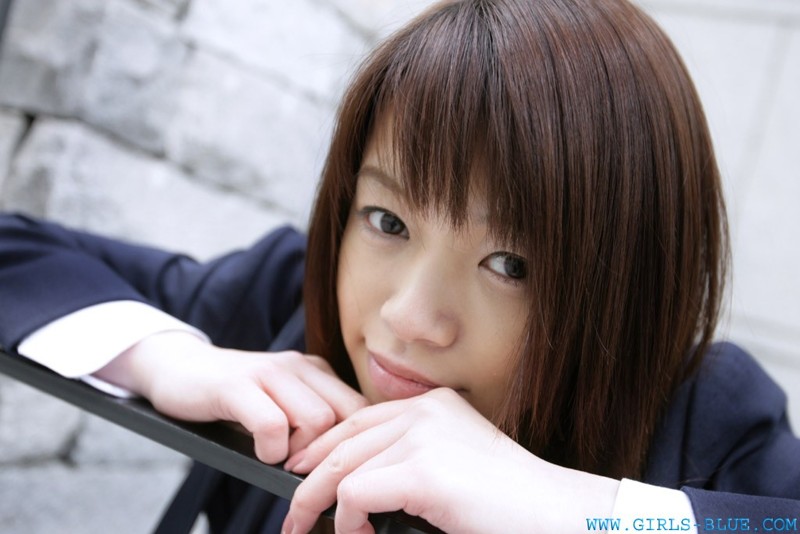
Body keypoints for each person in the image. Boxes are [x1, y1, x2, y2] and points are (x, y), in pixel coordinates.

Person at [1, 0, 798, 532]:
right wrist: (174, 359)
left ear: (621, 290)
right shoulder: (287, 308)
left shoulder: (701, 415)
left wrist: (572, 508)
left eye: (509, 264)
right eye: (387, 221)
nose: (410, 317)